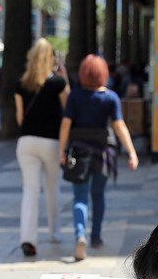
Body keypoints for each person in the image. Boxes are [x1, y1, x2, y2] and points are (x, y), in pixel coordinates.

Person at [58, 55, 139, 261]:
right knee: (98, 195)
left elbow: (66, 124)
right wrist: (131, 151)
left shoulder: (75, 96)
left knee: (80, 197)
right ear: (103, 74)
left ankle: (79, 235)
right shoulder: (110, 97)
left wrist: (61, 150)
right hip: (104, 152)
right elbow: (119, 125)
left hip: (79, 151)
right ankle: (96, 237)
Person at [15, 38, 69, 257]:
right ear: (51, 58)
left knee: (30, 190)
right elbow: (68, 112)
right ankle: (55, 232)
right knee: (52, 188)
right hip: (51, 142)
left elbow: (20, 118)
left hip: (26, 142)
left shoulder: (20, 84)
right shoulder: (58, 83)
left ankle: (28, 238)